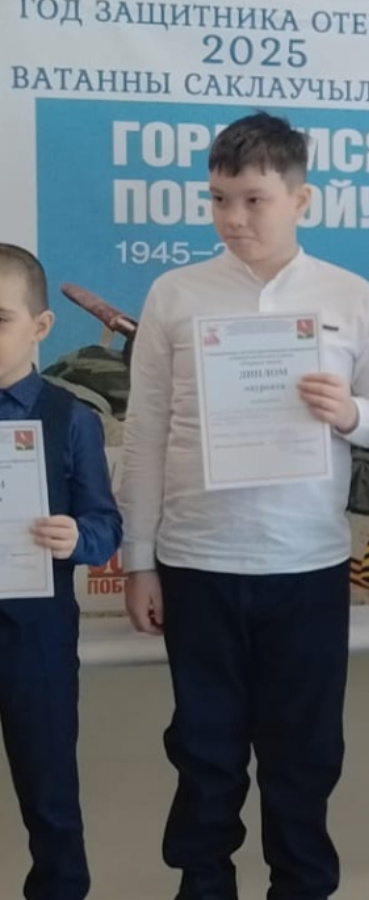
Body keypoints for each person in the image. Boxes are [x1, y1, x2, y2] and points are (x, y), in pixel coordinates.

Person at [118, 112, 369, 899]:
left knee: (304, 751)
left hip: (306, 563)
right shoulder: (176, 294)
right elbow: (145, 431)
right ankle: (203, 881)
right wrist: (139, 559)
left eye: (254, 200)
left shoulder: (348, 295)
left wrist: (350, 413)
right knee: (203, 747)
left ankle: (302, 884)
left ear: (301, 199)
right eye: (219, 199)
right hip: (197, 560)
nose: (234, 218)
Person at [0, 243, 121, 900]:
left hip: (37, 637)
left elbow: (105, 523)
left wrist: (77, 536)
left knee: (49, 795)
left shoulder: (70, 419)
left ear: (40, 326)